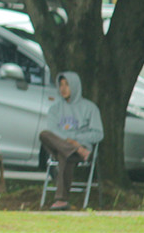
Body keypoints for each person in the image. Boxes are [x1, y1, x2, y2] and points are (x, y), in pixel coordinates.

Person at [39, 71, 103, 211]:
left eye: (67, 84)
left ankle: (61, 200)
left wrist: (76, 140)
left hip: (74, 149)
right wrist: (72, 144)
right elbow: (53, 130)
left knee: (65, 155)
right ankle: (76, 150)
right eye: (60, 85)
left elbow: (98, 134)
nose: (63, 88)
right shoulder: (55, 109)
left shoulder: (90, 108)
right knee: (44, 134)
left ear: (75, 86)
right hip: (67, 148)